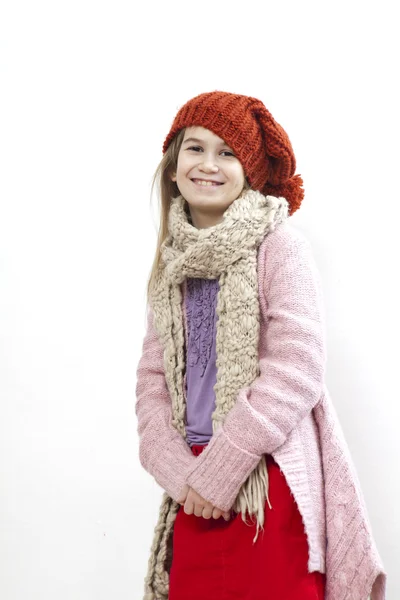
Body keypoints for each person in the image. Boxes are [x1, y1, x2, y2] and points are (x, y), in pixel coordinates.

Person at [135, 91, 386, 600]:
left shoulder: (279, 246)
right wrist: (183, 477)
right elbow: (152, 383)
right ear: (172, 164)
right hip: (194, 491)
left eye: (227, 153)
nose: (208, 164)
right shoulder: (170, 266)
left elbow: (297, 367)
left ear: (249, 169)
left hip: (266, 485)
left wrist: (225, 466)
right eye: (195, 148)